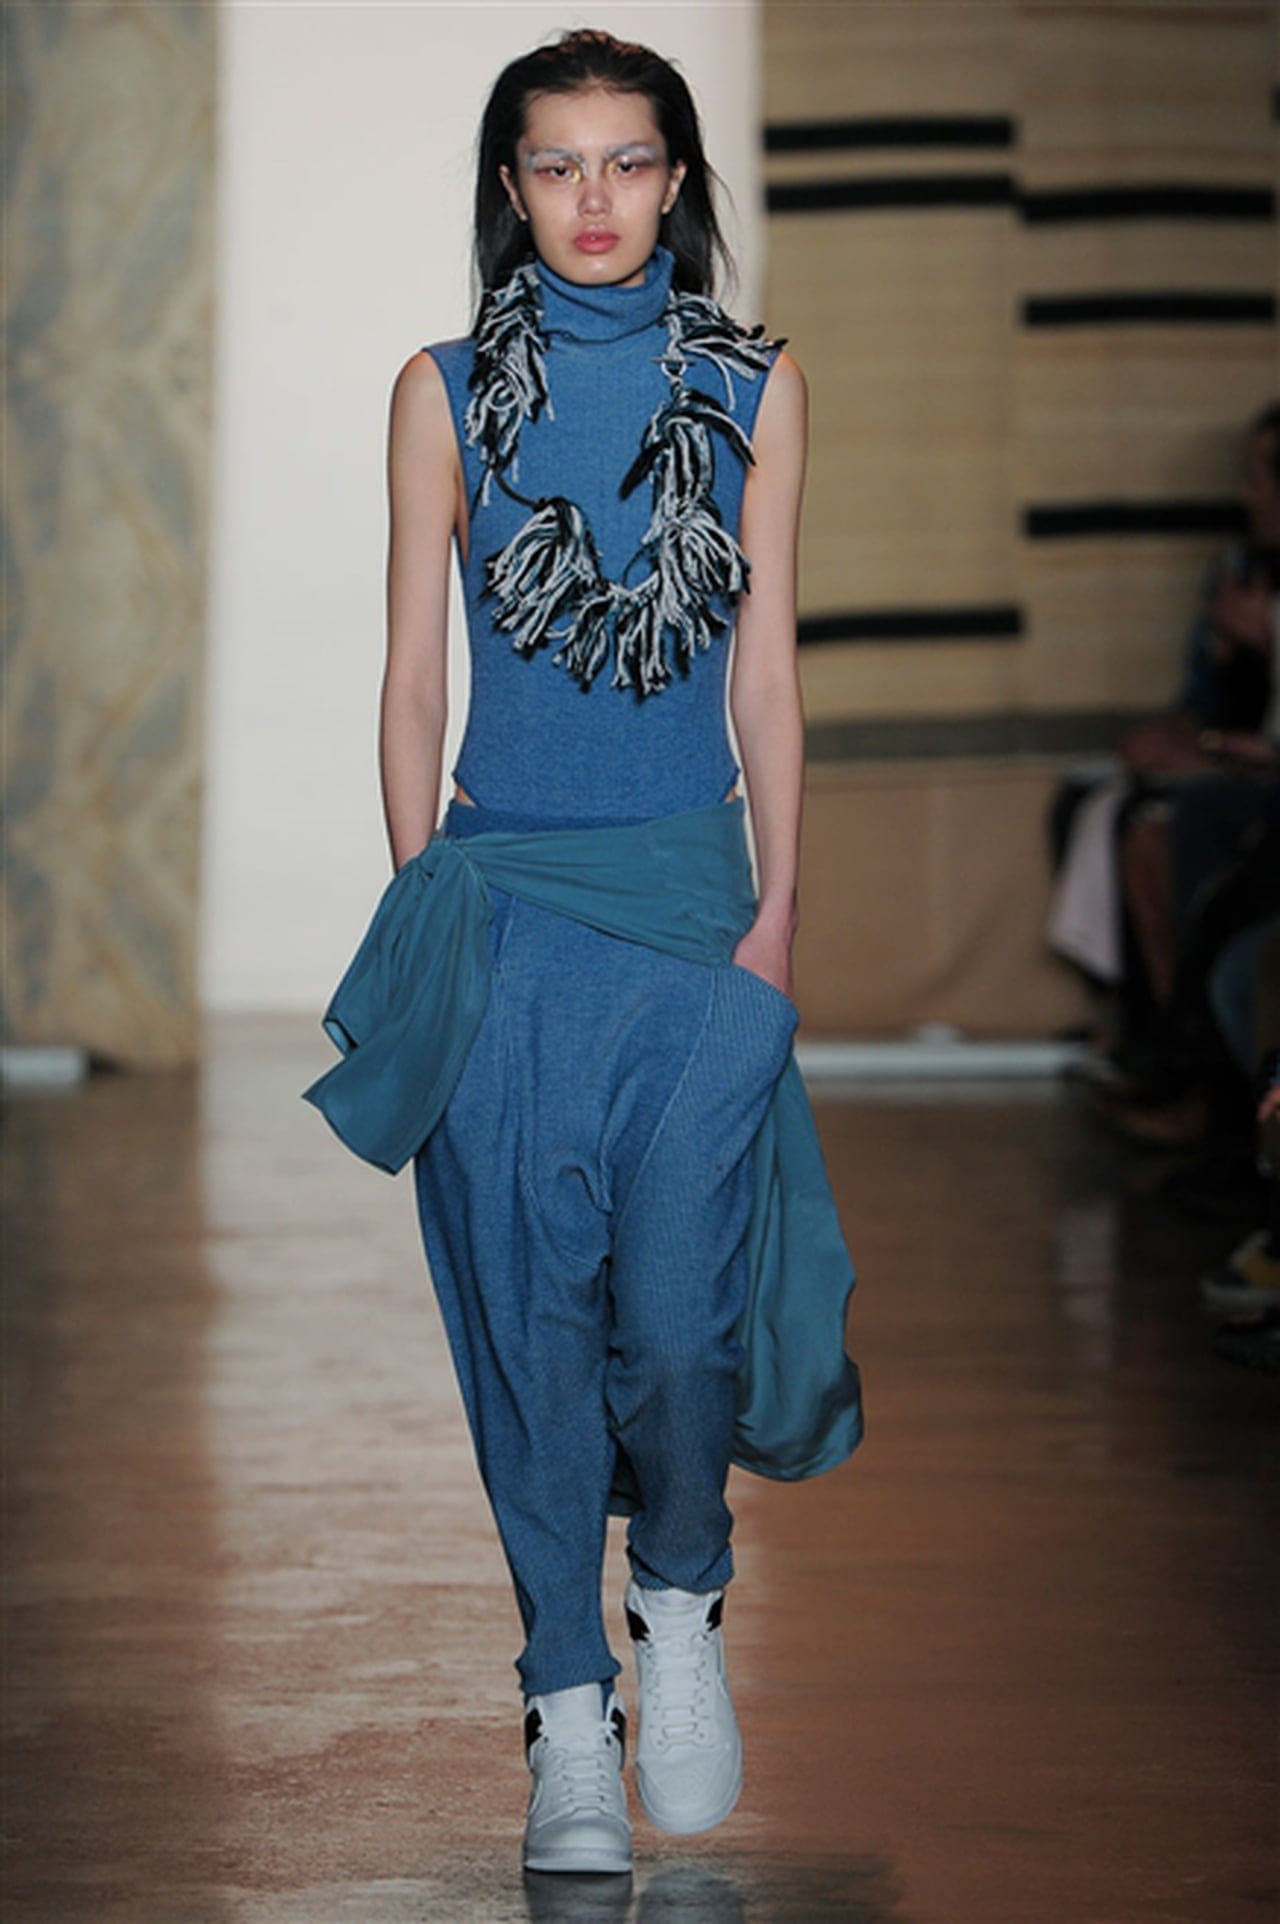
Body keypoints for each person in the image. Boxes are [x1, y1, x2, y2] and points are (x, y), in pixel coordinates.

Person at [303, 28, 861, 1879]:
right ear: (513, 188)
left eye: (629, 161)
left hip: (697, 916)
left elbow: (766, 673)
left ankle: (679, 1599)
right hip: (503, 914)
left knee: (684, 1326)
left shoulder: (758, 387)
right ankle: (564, 1703)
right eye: (557, 164)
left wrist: (778, 921)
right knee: (530, 1331)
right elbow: (412, 671)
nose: (594, 198)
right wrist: (425, 907)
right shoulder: (445, 390)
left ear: (679, 180)